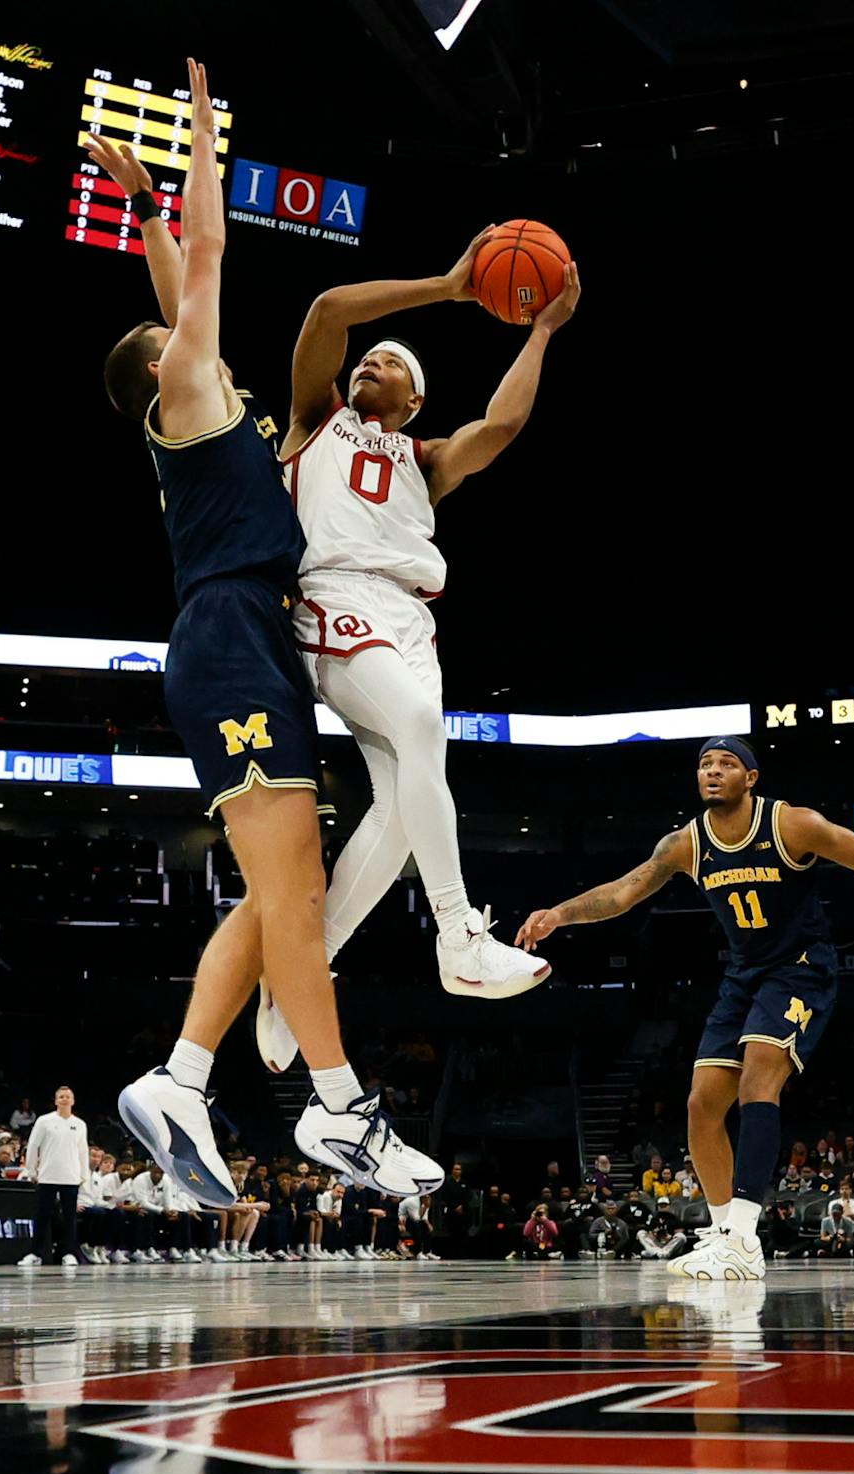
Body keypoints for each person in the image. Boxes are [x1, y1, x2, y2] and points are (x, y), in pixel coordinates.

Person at [90, 63, 438, 1204]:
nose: (186, 318)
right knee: (293, 894)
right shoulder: (185, 388)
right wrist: (196, 143)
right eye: (173, 326)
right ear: (158, 364)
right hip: (233, 638)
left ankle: (183, 1080)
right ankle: (342, 1111)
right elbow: (209, 265)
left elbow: (176, 271)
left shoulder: (206, 402)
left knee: (272, 888)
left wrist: (144, 207)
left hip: (250, 641)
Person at [247, 229, 584, 1076]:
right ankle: (461, 934)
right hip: (333, 597)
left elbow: (502, 425)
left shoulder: (423, 460)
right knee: (422, 725)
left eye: (391, 365)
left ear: (414, 400)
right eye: (369, 361)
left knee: (401, 808)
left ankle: (297, 969)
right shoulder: (314, 421)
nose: (372, 365)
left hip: (409, 620)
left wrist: (541, 331)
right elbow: (327, 313)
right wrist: (448, 284)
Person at [517, 735, 854, 1282]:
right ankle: (728, 1236)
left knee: (758, 1080)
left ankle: (745, 1233)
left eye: (726, 764)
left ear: (751, 778)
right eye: (704, 764)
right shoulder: (685, 843)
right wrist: (558, 914)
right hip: (743, 976)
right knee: (702, 1104)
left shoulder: (791, 824)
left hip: (801, 969)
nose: (712, 771)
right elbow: (621, 893)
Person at [17, 1086, 89, 1267]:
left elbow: (83, 1152)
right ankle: (35, 1253)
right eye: (61, 1097)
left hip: (71, 1178)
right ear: (56, 1101)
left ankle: (68, 1253)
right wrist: (31, 1170)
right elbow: (33, 1146)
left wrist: (83, 1174)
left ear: (73, 1101)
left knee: (70, 1218)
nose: (64, 1099)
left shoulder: (80, 1124)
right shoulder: (44, 1121)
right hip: (47, 1176)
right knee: (42, 1216)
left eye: (68, 1097)